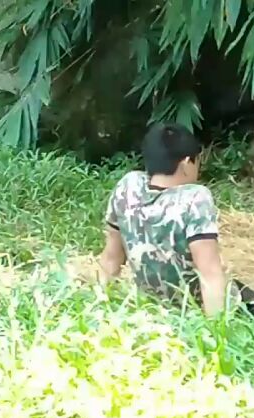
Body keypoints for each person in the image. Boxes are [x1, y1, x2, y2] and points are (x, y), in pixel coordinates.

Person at [96, 122, 228, 317]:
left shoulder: (128, 188)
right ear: (186, 164)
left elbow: (110, 259)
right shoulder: (194, 199)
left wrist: (100, 309)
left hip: (149, 310)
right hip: (191, 312)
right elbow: (209, 273)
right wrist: (216, 328)